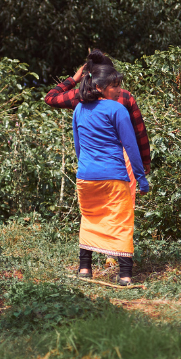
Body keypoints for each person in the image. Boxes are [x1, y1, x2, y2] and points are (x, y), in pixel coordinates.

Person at [73, 63, 149, 285]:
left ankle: (85, 269)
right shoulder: (117, 110)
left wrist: (89, 166)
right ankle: (125, 274)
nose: (119, 91)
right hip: (114, 176)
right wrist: (141, 178)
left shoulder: (79, 109)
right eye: (114, 86)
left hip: (85, 176)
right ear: (99, 87)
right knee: (121, 221)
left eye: (119, 86)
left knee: (89, 219)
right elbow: (131, 147)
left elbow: (79, 148)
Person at [46, 49, 151, 176]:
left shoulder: (79, 97)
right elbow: (139, 131)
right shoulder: (124, 96)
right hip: (121, 163)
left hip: (90, 165)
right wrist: (145, 160)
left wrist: (73, 80)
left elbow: (50, 98)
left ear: (88, 75)